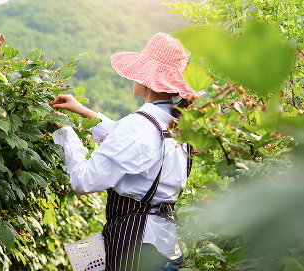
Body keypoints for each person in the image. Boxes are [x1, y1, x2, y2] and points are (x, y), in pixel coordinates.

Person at [51, 33, 205, 271]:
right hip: (166, 247)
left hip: (138, 250)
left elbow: (83, 180)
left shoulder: (139, 126)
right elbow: (133, 143)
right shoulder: (177, 125)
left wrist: (65, 133)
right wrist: (82, 110)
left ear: (148, 78)